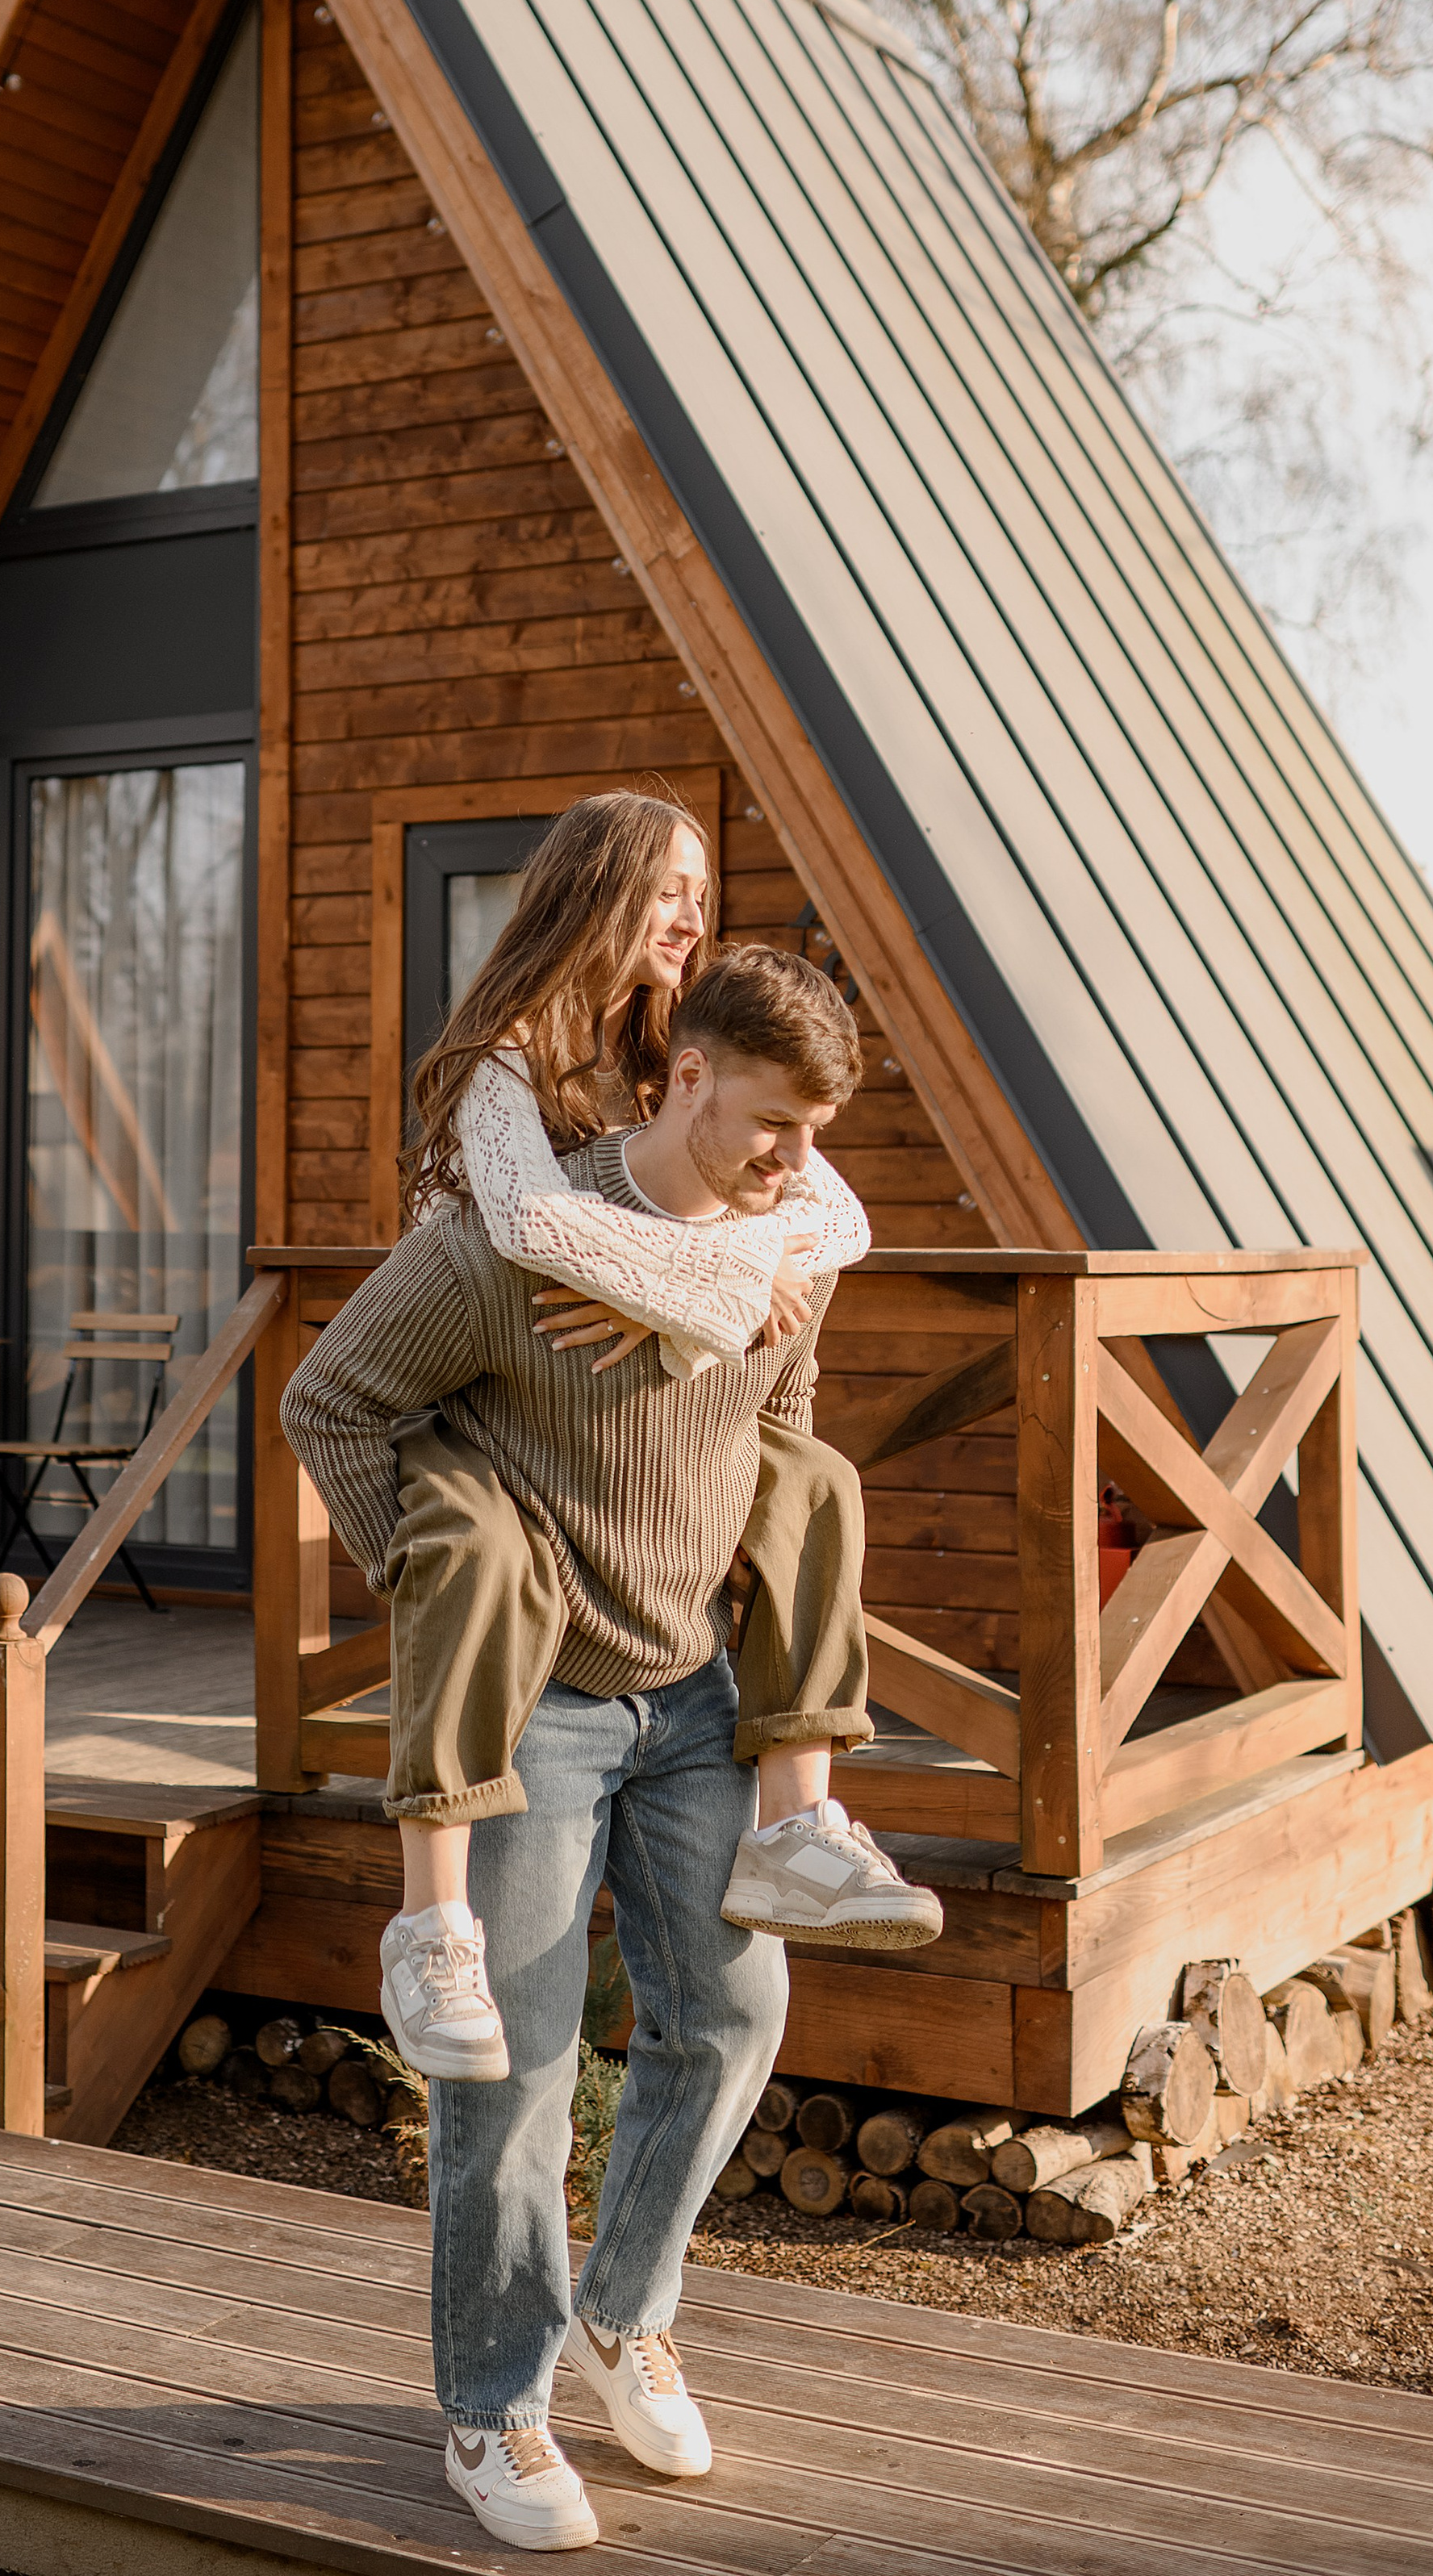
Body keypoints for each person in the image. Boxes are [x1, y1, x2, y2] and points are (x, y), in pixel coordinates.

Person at [284, 946, 900, 2549]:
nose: (794, 1164)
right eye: (769, 1125)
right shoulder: (509, 1241)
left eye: (814, 1133)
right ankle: (492, 2414)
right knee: (515, 2064)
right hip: (539, 1710)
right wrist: (433, 1584)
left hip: (695, 1694)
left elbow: (779, 1422)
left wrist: (776, 1587)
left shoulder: (786, 1246)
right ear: (682, 1074)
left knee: (734, 2006)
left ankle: (619, 2313)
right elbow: (330, 1401)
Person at [366, 795, 938, 2089]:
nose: (694, 915)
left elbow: (829, 1215)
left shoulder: (663, 1044)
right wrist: (721, 1290)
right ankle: (428, 1924)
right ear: (600, 889)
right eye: (670, 889)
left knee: (811, 1477)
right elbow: (531, 1227)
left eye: (700, 890)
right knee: (465, 1549)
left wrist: (723, 1282)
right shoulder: (503, 1055)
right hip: (489, 1401)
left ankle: (803, 1821)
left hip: (646, 1442)